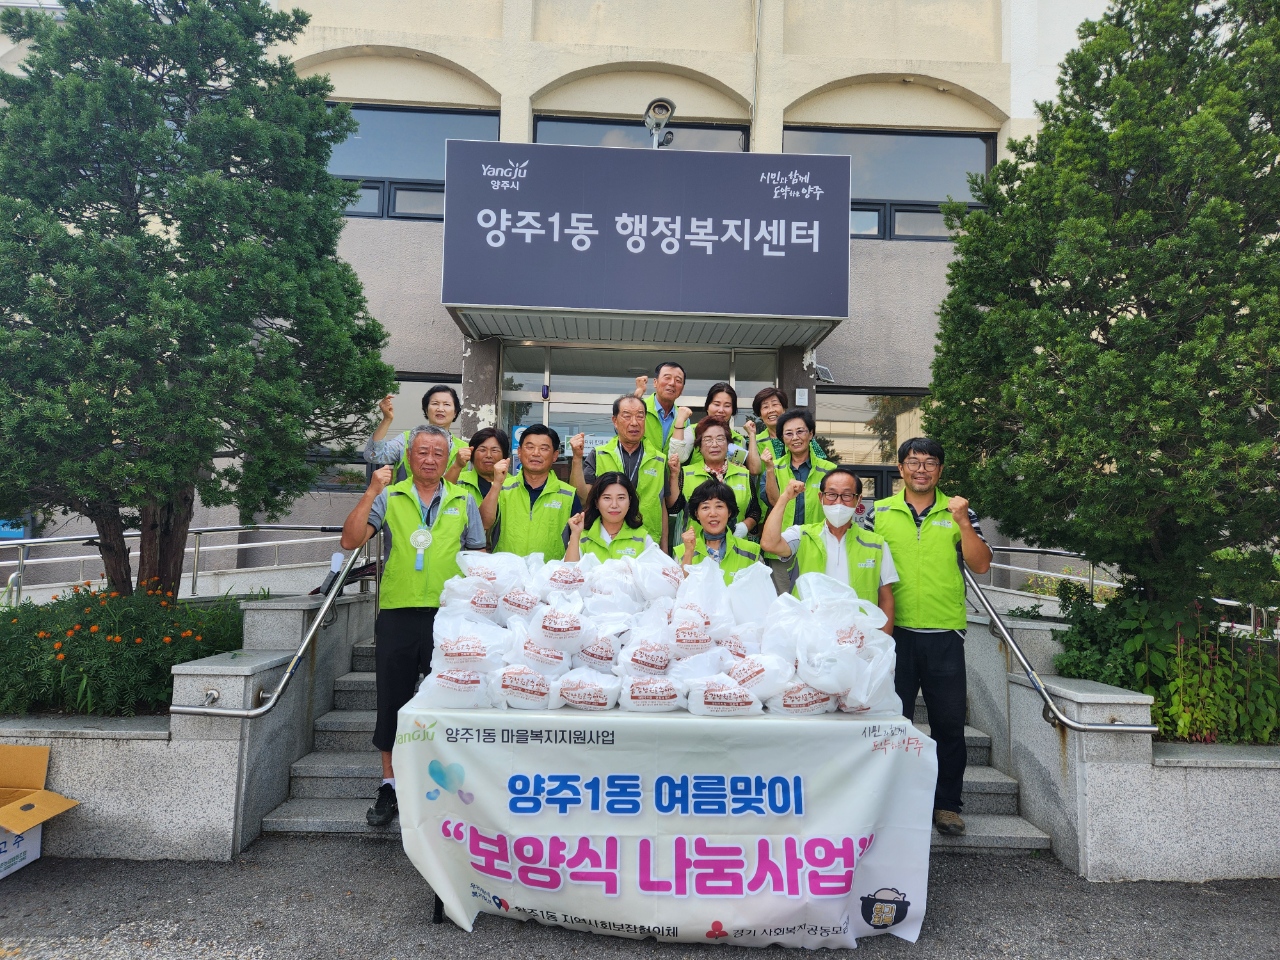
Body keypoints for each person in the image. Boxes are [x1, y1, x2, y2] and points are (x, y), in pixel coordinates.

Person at [339, 424, 486, 828]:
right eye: (421, 452)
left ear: (448, 457)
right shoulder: (390, 496)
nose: (429, 460)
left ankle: (451, 785)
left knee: (452, 701)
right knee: (393, 702)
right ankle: (389, 785)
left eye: (438, 454)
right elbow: (350, 542)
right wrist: (370, 491)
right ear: (409, 456)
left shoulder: (463, 498)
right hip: (399, 613)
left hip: (449, 618)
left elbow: (479, 556)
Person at [865, 437, 992, 839]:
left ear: (940, 470)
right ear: (900, 468)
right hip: (893, 633)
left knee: (949, 725)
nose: (921, 469)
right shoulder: (877, 512)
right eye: (913, 462)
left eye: (930, 463)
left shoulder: (959, 512)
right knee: (890, 722)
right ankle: (893, 799)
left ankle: (947, 805)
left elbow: (982, 564)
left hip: (943, 632)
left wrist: (963, 522)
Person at [759, 466, 897, 626]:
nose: (838, 502)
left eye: (846, 495)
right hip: (811, 636)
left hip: (858, 639)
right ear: (821, 497)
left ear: (858, 500)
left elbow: (886, 599)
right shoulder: (803, 535)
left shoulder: (876, 544)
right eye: (831, 494)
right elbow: (769, 543)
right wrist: (785, 497)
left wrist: (882, 644)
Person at [571, 395, 680, 551]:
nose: (634, 422)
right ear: (615, 421)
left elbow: (661, 505)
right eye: (627, 416)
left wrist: (664, 549)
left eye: (640, 416)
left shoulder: (659, 460)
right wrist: (576, 459)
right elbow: (583, 498)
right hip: (604, 544)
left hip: (646, 544)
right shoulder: (599, 454)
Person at [760, 409, 837, 594]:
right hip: (780, 547)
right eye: (788, 433)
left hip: (818, 548)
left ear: (811, 434)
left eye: (800, 431)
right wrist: (770, 470)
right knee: (785, 605)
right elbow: (773, 501)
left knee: (816, 603)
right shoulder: (775, 467)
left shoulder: (829, 470)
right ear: (782, 439)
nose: (795, 437)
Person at [481, 424, 580, 561]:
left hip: (549, 577)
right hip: (508, 576)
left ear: (555, 455)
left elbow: (577, 542)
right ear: (520, 452)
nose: (536, 453)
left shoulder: (568, 495)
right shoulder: (502, 488)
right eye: (530, 447)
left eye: (544, 448)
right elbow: (483, 523)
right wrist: (497, 484)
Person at [679, 418, 759, 539]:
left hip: (736, 548)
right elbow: (673, 507)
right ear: (699, 446)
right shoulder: (685, 473)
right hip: (694, 548)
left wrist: (744, 527)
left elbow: (755, 511)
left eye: (720, 439)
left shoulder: (743, 474)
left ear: (728, 444)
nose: (714, 444)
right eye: (708, 440)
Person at [365, 386, 467, 480]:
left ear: (455, 412)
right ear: (426, 410)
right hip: (405, 499)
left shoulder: (464, 449)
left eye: (447, 404)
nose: (440, 409)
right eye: (435, 403)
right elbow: (373, 455)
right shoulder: (406, 439)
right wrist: (387, 419)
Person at [679, 479, 762, 584]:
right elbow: (678, 591)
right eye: (705, 507)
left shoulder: (751, 551)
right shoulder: (682, 551)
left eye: (719, 506)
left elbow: (762, 593)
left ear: (729, 512)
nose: (713, 513)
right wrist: (688, 553)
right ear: (697, 514)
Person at [564, 472, 653, 561]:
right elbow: (569, 571)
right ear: (596, 502)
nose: (614, 505)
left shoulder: (643, 539)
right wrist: (575, 535)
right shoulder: (582, 537)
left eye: (621, 498)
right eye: (607, 498)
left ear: (630, 501)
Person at [669, 382, 757, 469]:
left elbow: (752, 470)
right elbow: (677, 458)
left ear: (732, 410)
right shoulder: (693, 431)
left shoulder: (739, 439)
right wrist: (680, 420)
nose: (721, 410)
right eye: (716, 404)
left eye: (727, 406)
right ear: (707, 406)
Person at [751, 386, 825, 464]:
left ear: (784, 408)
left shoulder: (803, 437)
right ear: (760, 415)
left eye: (775, 404)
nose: (771, 410)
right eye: (765, 407)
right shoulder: (754, 442)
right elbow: (752, 471)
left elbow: (822, 466)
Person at [632, 361, 685, 453]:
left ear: (682, 389)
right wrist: (636, 396)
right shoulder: (640, 408)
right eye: (667, 378)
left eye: (678, 380)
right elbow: (621, 431)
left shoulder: (683, 418)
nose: (672, 383)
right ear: (655, 382)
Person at [450, 427, 509, 502]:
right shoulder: (458, 481)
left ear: (504, 455)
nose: (488, 455)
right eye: (482, 450)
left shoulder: (514, 484)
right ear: (472, 454)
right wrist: (457, 465)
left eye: (494, 450)